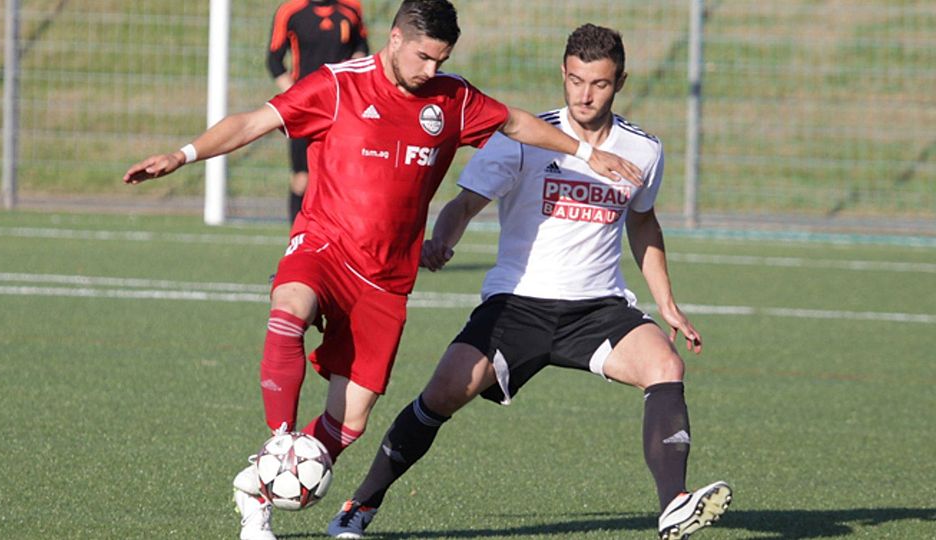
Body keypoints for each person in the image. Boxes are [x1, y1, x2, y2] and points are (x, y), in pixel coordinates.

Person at [122, 2, 642, 540]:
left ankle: (256, 486)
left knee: (349, 422)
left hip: (387, 280)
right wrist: (183, 155)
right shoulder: (338, 86)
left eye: (441, 60)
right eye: (422, 57)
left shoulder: (452, 98)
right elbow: (252, 123)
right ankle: (278, 439)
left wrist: (585, 151)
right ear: (394, 39)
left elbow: (515, 122)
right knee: (289, 309)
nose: (430, 71)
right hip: (325, 245)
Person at [327, 23, 730, 540]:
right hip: (517, 305)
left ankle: (673, 503)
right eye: (576, 80)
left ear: (620, 82)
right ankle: (360, 504)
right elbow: (465, 201)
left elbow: (643, 222)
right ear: (563, 74)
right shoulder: (525, 139)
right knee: (441, 394)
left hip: (598, 308)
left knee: (665, 366)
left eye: (599, 84)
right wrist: (443, 240)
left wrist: (666, 304)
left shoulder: (644, 151)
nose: (585, 95)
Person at [267, 0, 370, 223]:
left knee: (343, 177)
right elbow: (274, 60)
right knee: (302, 178)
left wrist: (352, 73)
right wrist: (299, 98)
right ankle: (296, 237)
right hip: (306, 111)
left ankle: (341, 238)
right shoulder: (290, 11)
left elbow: (362, 47)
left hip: (342, 107)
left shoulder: (351, 8)